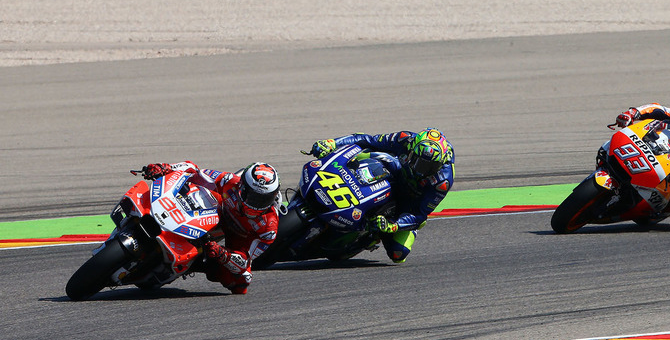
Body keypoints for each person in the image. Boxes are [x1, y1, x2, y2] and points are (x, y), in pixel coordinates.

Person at [309, 127, 454, 263]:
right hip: (392, 172)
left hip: (410, 199)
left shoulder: (442, 182)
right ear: (411, 150)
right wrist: (332, 143)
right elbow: (367, 140)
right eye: (420, 163)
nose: (422, 171)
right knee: (372, 153)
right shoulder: (404, 139)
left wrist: (393, 226)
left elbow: (419, 214)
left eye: (430, 167)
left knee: (398, 254)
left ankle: (372, 235)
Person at [140, 160, 281, 294]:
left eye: (264, 199)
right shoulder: (229, 181)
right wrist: (166, 168)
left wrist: (222, 254)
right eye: (253, 196)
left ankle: (195, 263)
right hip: (213, 214)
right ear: (242, 186)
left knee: (240, 282)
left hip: (238, 237)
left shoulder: (269, 228)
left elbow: (245, 261)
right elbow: (194, 170)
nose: (256, 203)